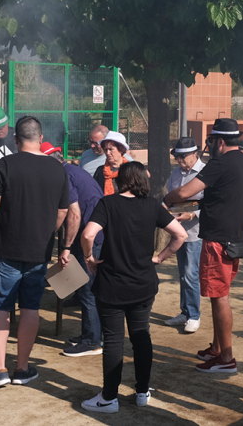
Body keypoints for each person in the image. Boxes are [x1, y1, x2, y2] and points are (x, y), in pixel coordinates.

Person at [80, 162, 188, 414]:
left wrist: (88, 258)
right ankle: (142, 391)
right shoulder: (152, 205)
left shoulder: (108, 203)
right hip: (142, 283)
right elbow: (180, 235)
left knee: (114, 340)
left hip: (111, 285)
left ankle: (109, 397)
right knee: (141, 336)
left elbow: (88, 235)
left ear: (121, 180)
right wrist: (159, 258)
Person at [0, 116, 71, 388]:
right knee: (31, 307)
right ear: (41, 138)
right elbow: (63, 211)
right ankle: (23, 368)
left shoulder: (7, 164)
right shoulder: (57, 168)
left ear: (15, 141)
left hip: (7, 249)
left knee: (0, 305)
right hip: (40, 250)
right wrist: (48, 231)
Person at [164, 118, 243, 373]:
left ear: (218, 141)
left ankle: (226, 358)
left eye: (210, 142)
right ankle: (217, 348)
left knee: (220, 298)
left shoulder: (219, 163)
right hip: (237, 237)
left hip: (217, 239)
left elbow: (185, 193)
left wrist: (165, 201)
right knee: (221, 294)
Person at [38, 143, 108, 358]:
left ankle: (92, 342)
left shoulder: (65, 177)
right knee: (79, 285)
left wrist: (66, 246)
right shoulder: (72, 171)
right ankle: (91, 333)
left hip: (91, 238)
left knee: (88, 292)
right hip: (90, 235)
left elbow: (74, 215)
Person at [164, 137, 205, 333]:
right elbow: (171, 196)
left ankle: (194, 315)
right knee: (182, 274)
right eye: (177, 157)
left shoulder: (205, 173)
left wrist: (191, 214)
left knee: (191, 274)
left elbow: (211, 205)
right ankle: (185, 312)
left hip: (195, 231)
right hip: (178, 231)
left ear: (194, 154)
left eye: (183, 157)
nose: (179, 160)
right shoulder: (176, 173)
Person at [92, 131, 130, 195]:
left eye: (111, 149)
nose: (107, 153)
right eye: (106, 150)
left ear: (121, 150)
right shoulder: (100, 171)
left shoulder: (130, 170)